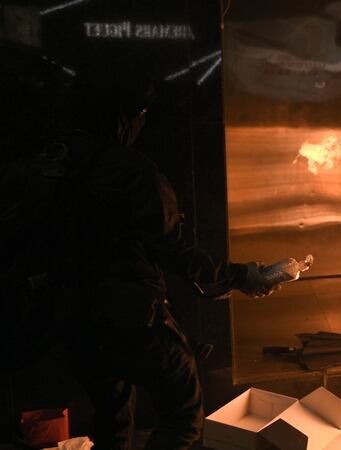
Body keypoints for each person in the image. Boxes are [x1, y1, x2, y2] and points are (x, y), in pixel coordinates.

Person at [61, 62, 280, 450]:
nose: (143, 122)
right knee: (182, 414)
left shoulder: (53, 161)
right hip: (127, 320)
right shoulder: (131, 172)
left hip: (72, 324)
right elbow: (175, 252)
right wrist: (243, 276)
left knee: (112, 422)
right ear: (124, 114)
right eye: (141, 114)